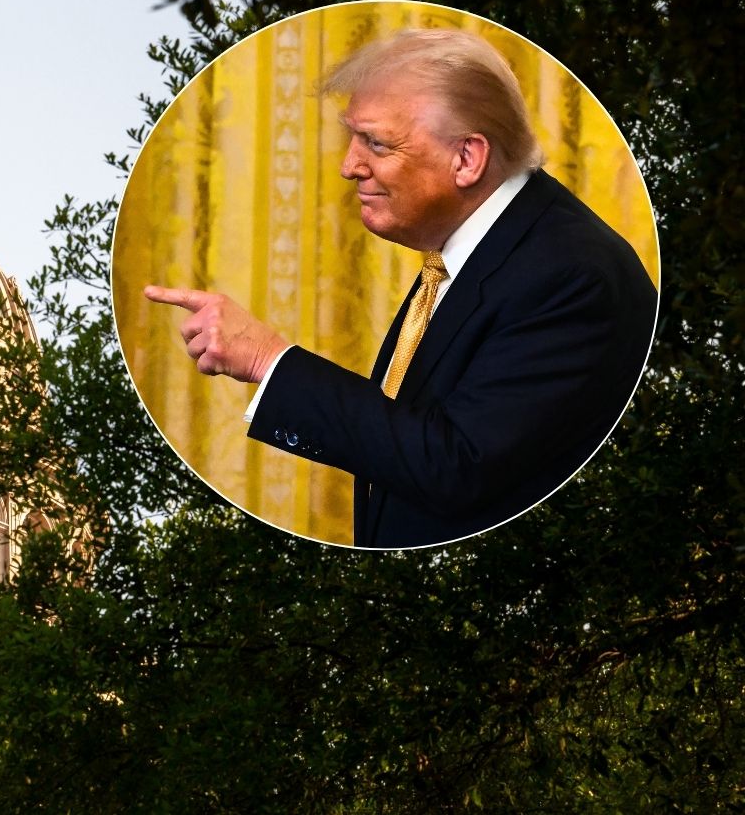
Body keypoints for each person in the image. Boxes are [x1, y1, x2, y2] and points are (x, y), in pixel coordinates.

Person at [146, 28, 655, 548]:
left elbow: (457, 466)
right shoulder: (474, 253)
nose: (349, 166)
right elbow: (412, 443)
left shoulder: (571, 272)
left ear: (467, 159)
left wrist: (267, 360)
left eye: (376, 142)